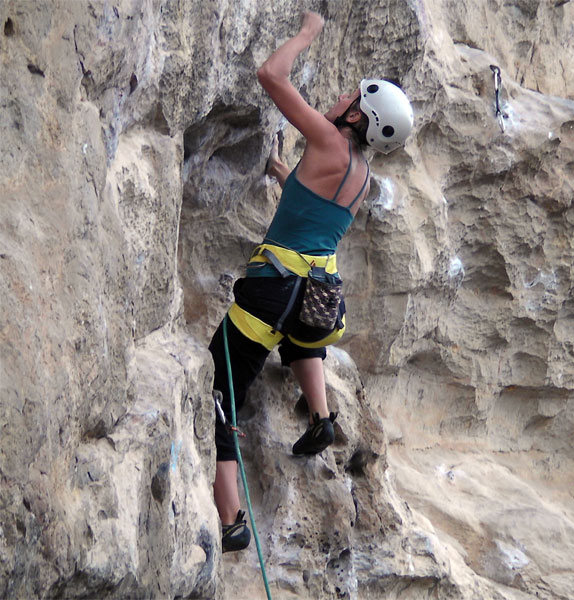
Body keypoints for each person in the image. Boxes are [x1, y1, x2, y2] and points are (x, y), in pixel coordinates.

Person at [209, 10, 414, 553]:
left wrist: (306, 35)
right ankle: (322, 416)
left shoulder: (325, 137)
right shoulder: (363, 177)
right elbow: (313, 208)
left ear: (355, 113)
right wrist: (280, 172)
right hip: (318, 297)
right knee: (303, 341)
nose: (339, 97)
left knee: (221, 389)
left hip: (273, 292)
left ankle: (231, 520)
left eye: (350, 95)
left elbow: (271, 77)